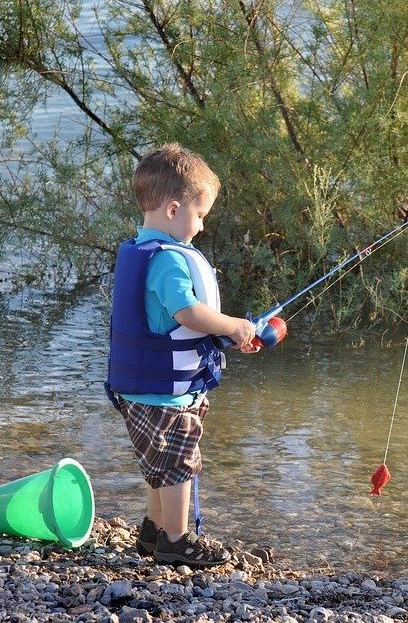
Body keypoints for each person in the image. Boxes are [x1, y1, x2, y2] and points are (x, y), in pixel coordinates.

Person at [105, 143, 257, 567]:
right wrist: (232, 326)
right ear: (173, 209)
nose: (203, 226)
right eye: (201, 214)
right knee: (178, 465)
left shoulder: (143, 248)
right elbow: (187, 312)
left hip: (145, 390)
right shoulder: (169, 262)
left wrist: (223, 335)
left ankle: (153, 532)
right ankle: (176, 539)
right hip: (164, 395)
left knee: (161, 464)